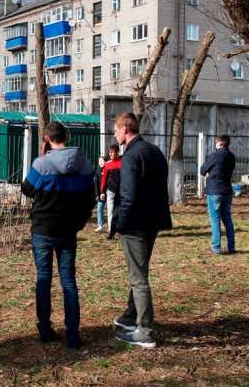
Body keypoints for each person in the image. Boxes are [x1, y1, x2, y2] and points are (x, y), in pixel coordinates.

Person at [21, 122, 95, 349]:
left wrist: (41, 159)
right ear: (66, 136)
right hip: (68, 230)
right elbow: (90, 199)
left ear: (46, 139)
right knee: (69, 282)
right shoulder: (84, 164)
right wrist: (79, 223)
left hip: (43, 229)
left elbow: (26, 189)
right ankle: (73, 334)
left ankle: (45, 330)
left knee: (43, 278)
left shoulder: (42, 164)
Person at [111, 112, 172, 348]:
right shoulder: (153, 151)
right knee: (139, 271)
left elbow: (128, 196)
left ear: (125, 129)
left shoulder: (131, 156)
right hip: (153, 221)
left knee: (138, 277)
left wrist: (119, 223)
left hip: (135, 224)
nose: (114, 134)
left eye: (116, 130)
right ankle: (130, 316)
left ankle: (145, 330)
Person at [200, 134, 236, 254]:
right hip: (227, 191)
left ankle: (216, 248)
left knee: (215, 220)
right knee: (227, 220)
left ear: (220, 143)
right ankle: (231, 247)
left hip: (214, 191)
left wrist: (208, 172)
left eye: (216, 142)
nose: (215, 144)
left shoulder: (215, 156)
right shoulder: (231, 156)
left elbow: (202, 169)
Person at [101, 145, 121, 239]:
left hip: (121, 192)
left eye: (113, 152)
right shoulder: (108, 164)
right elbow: (104, 178)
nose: (111, 154)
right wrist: (102, 192)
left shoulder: (123, 162)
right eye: (110, 152)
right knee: (110, 212)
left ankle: (120, 230)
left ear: (117, 152)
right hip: (110, 191)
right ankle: (111, 231)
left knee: (121, 211)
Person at [94, 155, 107, 232]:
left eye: (102, 161)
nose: (100, 163)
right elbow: (96, 183)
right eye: (99, 162)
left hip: (108, 192)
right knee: (99, 209)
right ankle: (100, 225)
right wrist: (97, 194)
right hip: (100, 193)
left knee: (111, 210)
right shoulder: (98, 170)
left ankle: (112, 226)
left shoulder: (109, 169)